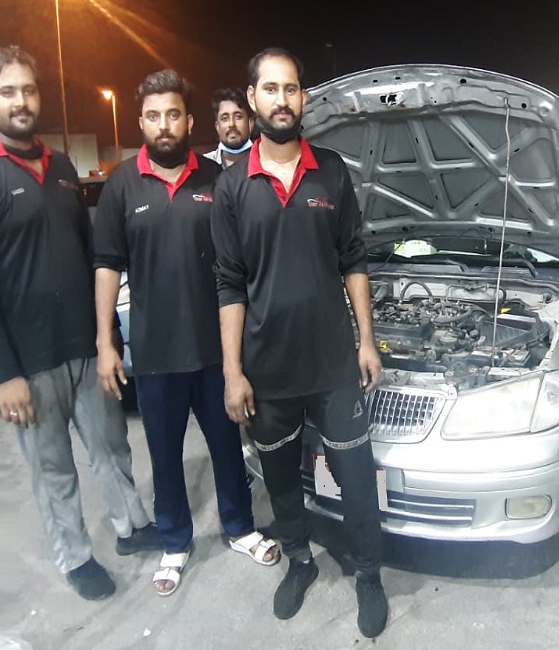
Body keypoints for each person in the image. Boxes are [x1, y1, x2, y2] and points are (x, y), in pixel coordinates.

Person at [0, 45, 158, 601]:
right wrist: (4, 374)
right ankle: (75, 555)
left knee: (111, 446)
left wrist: (107, 338)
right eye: (7, 92)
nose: (21, 101)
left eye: (28, 90)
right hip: (29, 362)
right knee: (54, 467)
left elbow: (90, 257)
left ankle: (131, 527)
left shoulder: (61, 168)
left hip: (84, 348)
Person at [211, 47, 388, 638]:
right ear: (252, 97)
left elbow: (353, 258)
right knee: (283, 479)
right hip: (268, 369)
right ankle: (300, 561)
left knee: (356, 475)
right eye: (271, 88)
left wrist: (367, 340)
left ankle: (369, 574)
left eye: (291, 89)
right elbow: (229, 284)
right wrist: (233, 372)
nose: (282, 100)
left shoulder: (331, 171)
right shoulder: (233, 186)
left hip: (333, 363)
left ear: (303, 97)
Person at [92, 69, 279, 598]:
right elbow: (106, 265)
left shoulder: (216, 180)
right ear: (141, 122)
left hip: (216, 350)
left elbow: (242, 263)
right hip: (155, 354)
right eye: (154, 116)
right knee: (165, 455)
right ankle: (175, 541)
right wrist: (106, 342)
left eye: (173, 114)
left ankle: (240, 528)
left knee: (227, 446)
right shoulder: (122, 185)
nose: (164, 125)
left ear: (189, 121)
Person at [203, 87, 255, 169]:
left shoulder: (265, 163)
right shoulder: (203, 166)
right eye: (225, 119)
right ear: (217, 127)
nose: (231, 124)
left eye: (238, 117)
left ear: (250, 124)